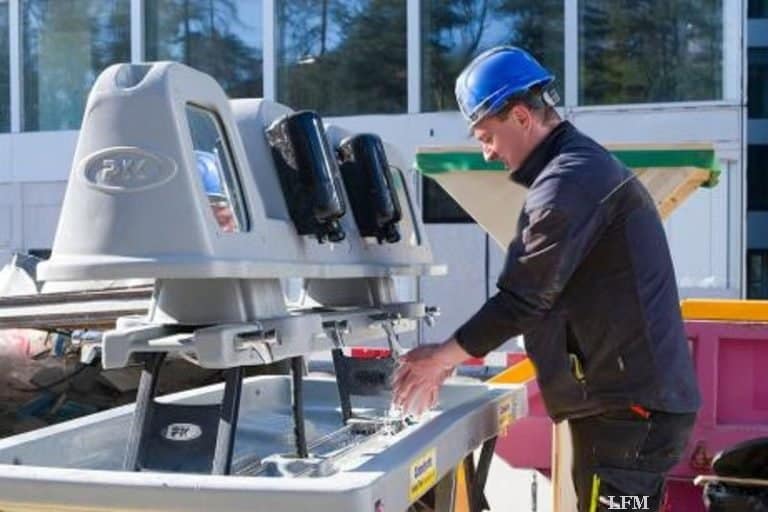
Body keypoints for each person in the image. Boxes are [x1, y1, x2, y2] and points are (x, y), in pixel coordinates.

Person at [393, 46, 701, 512]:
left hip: (630, 415)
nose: (487, 151)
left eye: (486, 135)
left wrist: (442, 357)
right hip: (630, 410)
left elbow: (523, 297)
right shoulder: (577, 171)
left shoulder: (569, 181)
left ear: (520, 116)